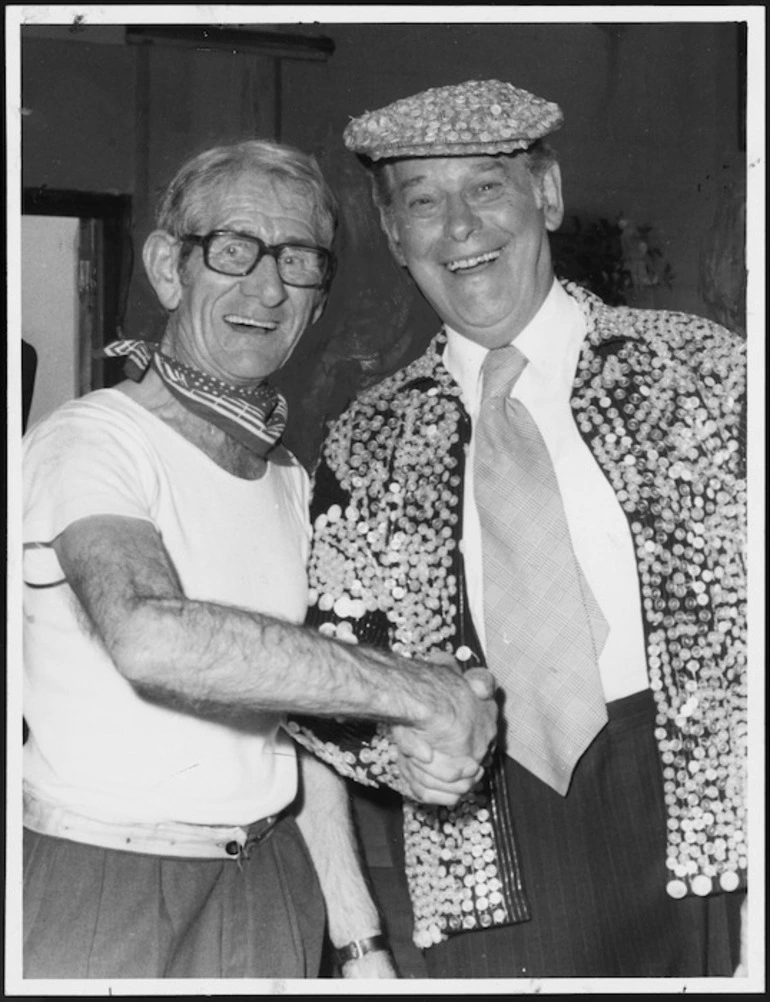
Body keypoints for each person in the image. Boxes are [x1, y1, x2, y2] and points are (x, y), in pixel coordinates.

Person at [291, 81, 748, 979]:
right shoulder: (369, 437)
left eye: (487, 188)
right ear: (394, 237)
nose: (459, 229)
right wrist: (403, 755)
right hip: (487, 841)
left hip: (719, 806)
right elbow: (332, 672)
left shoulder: (710, 375)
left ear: (547, 195)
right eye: (423, 201)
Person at [20, 138, 499, 980]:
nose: (269, 288)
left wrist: (360, 944)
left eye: (299, 260)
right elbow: (150, 637)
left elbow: (297, 727)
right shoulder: (90, 440)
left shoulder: (288, 478)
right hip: (108, 881)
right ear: (170, 268)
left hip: (269, 887)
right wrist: (416, 691)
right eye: (235, 250)